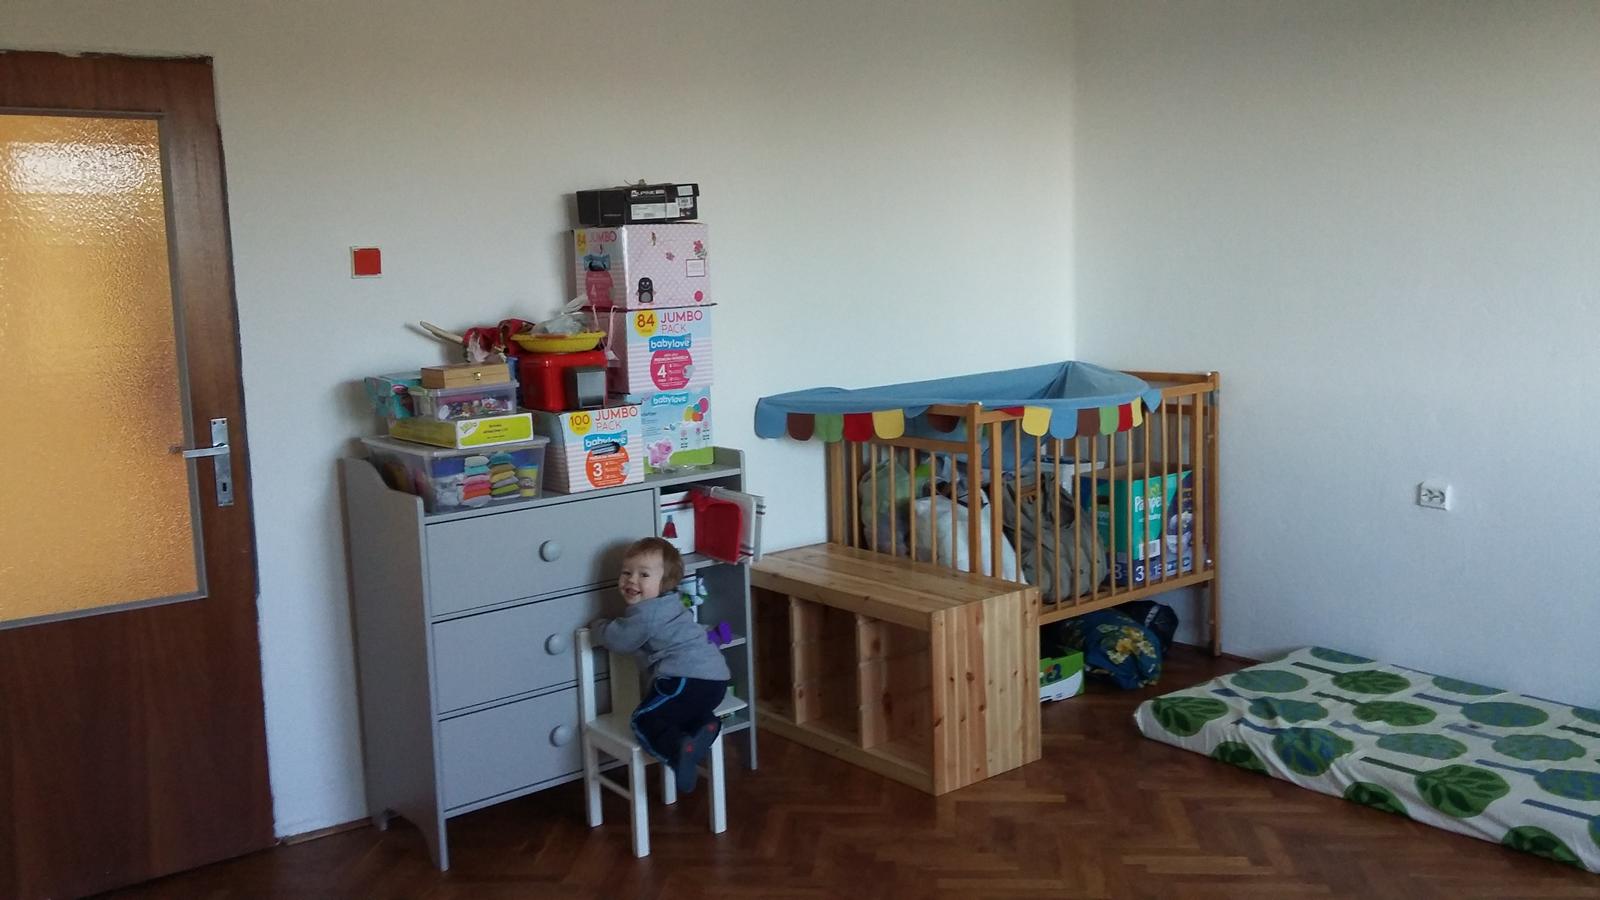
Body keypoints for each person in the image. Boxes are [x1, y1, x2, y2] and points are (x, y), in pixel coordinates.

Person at [589, 537, 730, 792]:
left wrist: (598, 626)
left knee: (645, 719)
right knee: (680, 714)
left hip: (685, 679)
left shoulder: (647, 613)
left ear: (664, 583)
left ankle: (677, 750)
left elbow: (619, 639)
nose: (631, 580)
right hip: (715, 682)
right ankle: (704, 725)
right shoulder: (672, 605)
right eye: (626, 572)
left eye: (644, 575)